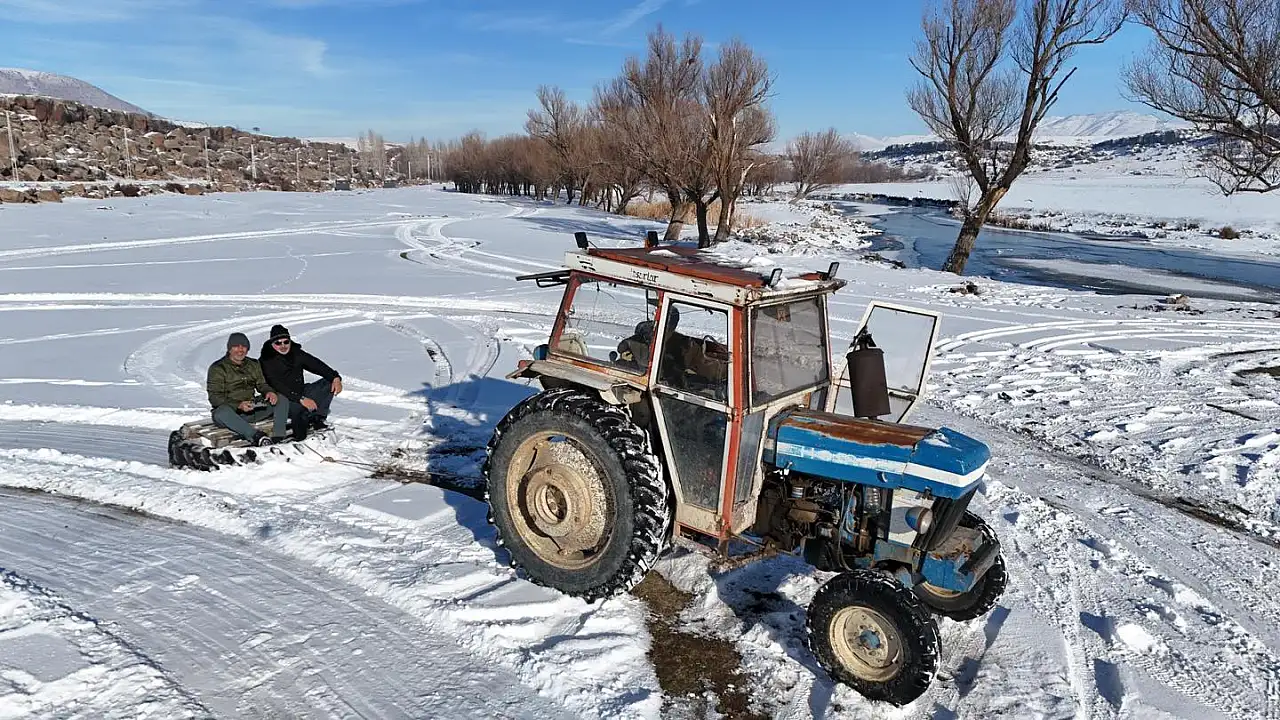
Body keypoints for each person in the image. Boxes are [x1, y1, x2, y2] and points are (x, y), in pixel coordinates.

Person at [259, 324, 342, 440]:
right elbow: (276, 384)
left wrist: (335, 377)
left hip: (301, 391)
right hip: (283, 399)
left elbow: (316, 365)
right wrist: (301, 399)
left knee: (328, 383)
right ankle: (299, 439)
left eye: (286, 342)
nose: (283, 346)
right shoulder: (266, 360)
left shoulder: (296, 353)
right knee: (300, 412)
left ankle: (318, 417)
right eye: (278, 343)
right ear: (272, 344)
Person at [207, 332, 287, 446]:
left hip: (252, 408)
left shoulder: (253, 364)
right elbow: (215, 398)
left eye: (244, 346)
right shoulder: (218, 368)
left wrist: (269, 392)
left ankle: (279, 436)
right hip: (231, 413)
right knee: (221, 412)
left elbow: (261, 384)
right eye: (236, 346)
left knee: (281, 398)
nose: (240, 350)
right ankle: (256, 436)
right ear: (229, 348)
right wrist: (238, 405)